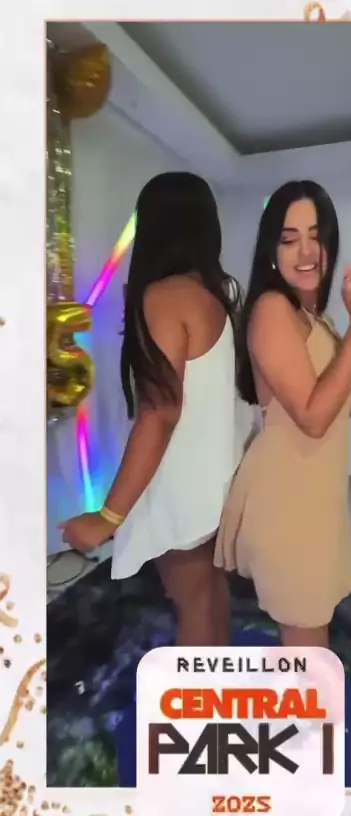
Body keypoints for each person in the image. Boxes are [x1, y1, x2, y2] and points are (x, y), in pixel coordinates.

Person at [214, 180, 351, 648]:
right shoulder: (271, 310)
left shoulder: (314, 315)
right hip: (288, 498)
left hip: (316, 494)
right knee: (307, 643)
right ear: (271, 250)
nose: (305, 251)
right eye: (289, 238)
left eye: (316, 236)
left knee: (308, 635)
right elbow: (314, 418)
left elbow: (338, 407)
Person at [60, 172, 244, 646]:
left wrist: (108, 517)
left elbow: (160, 413)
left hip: (181, 486)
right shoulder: (215, 295)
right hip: (215, 480)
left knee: (192, 603)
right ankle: (219, 681)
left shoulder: (165, 296)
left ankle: (201, 692)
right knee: (208, 594)